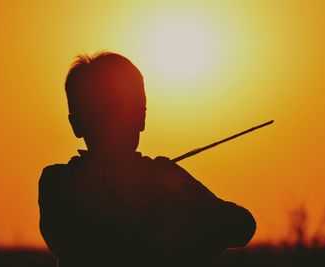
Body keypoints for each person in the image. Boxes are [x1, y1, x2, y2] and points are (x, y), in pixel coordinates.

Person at [38, 52, 256, 267]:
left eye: (126, 112)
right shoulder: (59, 182)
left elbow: (242, 225)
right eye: (103, 114)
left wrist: (188, 201)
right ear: (77, 124)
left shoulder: (164, 176)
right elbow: (72, 240)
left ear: (142, 118)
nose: (115, 125)